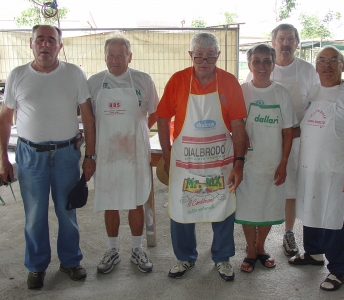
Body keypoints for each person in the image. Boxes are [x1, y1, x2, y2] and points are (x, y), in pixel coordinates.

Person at [0, 25, 96, 289]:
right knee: (34, 215)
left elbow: (88, 117)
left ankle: (70, 261)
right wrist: (3, 159)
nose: (45, 44)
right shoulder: (17, 76)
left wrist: (91, 155)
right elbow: (5, 120)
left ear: (60, 46)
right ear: (31, 44)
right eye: (39, 39)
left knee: (68, 211)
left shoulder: (74, 74)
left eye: (51, 40)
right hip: (30, 156)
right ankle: (36, 266)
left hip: (66, 155)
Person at [156, 32, 246, 282]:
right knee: (183, 207)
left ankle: (223, 258)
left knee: (223, 207)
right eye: (199, 56)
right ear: (190, 55)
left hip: (220, 161)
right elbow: (163, 119)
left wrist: (239, 162)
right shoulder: (177, 81)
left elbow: (238, 125)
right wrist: (167, 154)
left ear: (218, 55)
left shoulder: (229, 82)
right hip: (186, 162)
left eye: (210, 56)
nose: (204, 60)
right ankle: (184, 256)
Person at [289, 46, 344, 291]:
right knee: (311, 210)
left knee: (336, 219)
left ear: (342, 65)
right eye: (321, 61)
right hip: (311, 168)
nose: (327, 66)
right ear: (316, 67)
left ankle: (339, 270)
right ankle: (313, 253)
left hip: (337, 172)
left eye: (333, 61)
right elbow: (304, 127)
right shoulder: (314, 91)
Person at [246, 24, 319, 256]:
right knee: (258, 188)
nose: (285, 43)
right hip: (263, 142)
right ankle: (254, 238)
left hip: (296, 141)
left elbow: (317, 106)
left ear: (297, 43)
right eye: (281, 39)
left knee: (290, 189)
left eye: (290, 39)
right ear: (273, 42)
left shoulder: (308, 71)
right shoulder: (258, 69)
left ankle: (288, 232)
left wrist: (299, 131)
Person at [88, 33, 158, 274]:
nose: (115, 59)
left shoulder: (143, 80)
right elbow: (88, 119)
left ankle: (137, 249)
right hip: (106, 154)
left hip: (135, 154)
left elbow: (155, 112)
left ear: (130, 56)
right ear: (105, 57)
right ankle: (112, 249)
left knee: (136, 200)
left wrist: (137, 131)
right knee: (110, 202)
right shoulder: (94, 82)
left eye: (120, 55)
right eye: (111, 55)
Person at [235, 44, 296, 273]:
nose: (262, 65)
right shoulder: (242, 91)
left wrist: (284, 162)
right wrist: (241, 135)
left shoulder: (281, 93)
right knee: (249, 208)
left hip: (273, 162)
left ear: (273, 64)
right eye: (256, 61)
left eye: (267, 61)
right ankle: (250, 250)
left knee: (269, 206)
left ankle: (261, 247)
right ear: (249, 64)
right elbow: (234, 123)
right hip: (248, 163)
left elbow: (288, 130)